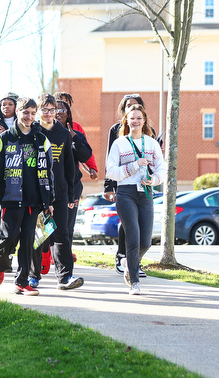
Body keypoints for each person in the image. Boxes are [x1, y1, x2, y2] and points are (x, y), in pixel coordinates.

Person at [0, 97, 54, 296]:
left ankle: (21, 281)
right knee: (8, 238)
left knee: (28, 241)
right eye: (26, 113)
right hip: (10, 199)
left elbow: (49, 171)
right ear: (17, 112)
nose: (29, 117)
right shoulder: (5, 139)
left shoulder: (42, 139)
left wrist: (48, 200)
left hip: (34, 201)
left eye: (33, 114)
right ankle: (0, 265)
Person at [105, 104, 166, 295]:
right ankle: (134, 282)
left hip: (146, 192)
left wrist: (154, 179)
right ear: (126, 121)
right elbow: (111, 172)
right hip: (126, 193)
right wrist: (133, 165)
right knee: (133, 236)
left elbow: (162, 169)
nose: (136, 121)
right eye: (132, 118)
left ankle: (129, 262)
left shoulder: (152, 144)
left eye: (139, 118)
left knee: (145, 242)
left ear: (144, 120)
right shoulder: (120, 144)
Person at [28, 94, 83, 290]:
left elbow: (70, 167)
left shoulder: (64, 134)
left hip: (59, 193)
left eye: (53, 110)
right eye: (45, 110)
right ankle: (33, 276)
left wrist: (70, 194)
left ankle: (65, 277)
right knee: (38, 236)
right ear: (38, 112)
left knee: (62, 235)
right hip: (36, 194)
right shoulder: (32, 132)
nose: (50, 113)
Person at [103, 94, 155, 276]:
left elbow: (155, 159)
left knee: (141, 230)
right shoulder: (116, 131)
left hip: (144, 186)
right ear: (124, 111)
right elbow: (110, 161)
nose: (133, 109)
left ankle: (133, 262)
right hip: (124, 184)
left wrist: (154, 176)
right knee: (128, 224)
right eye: (129, 106)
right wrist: (108, 186)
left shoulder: (149, 133)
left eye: (137, 106)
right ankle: (122, 256)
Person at [55, 98, 95, 241]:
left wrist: (75, 139)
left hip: (72, 186)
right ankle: (46, 258)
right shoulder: (43, 134)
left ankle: (64, 256)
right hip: (51, 185)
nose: (58, 113)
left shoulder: (76, 135)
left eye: (62, 110)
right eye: (55, 109)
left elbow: (86, 155)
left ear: (69, 114)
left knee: (68, 225)